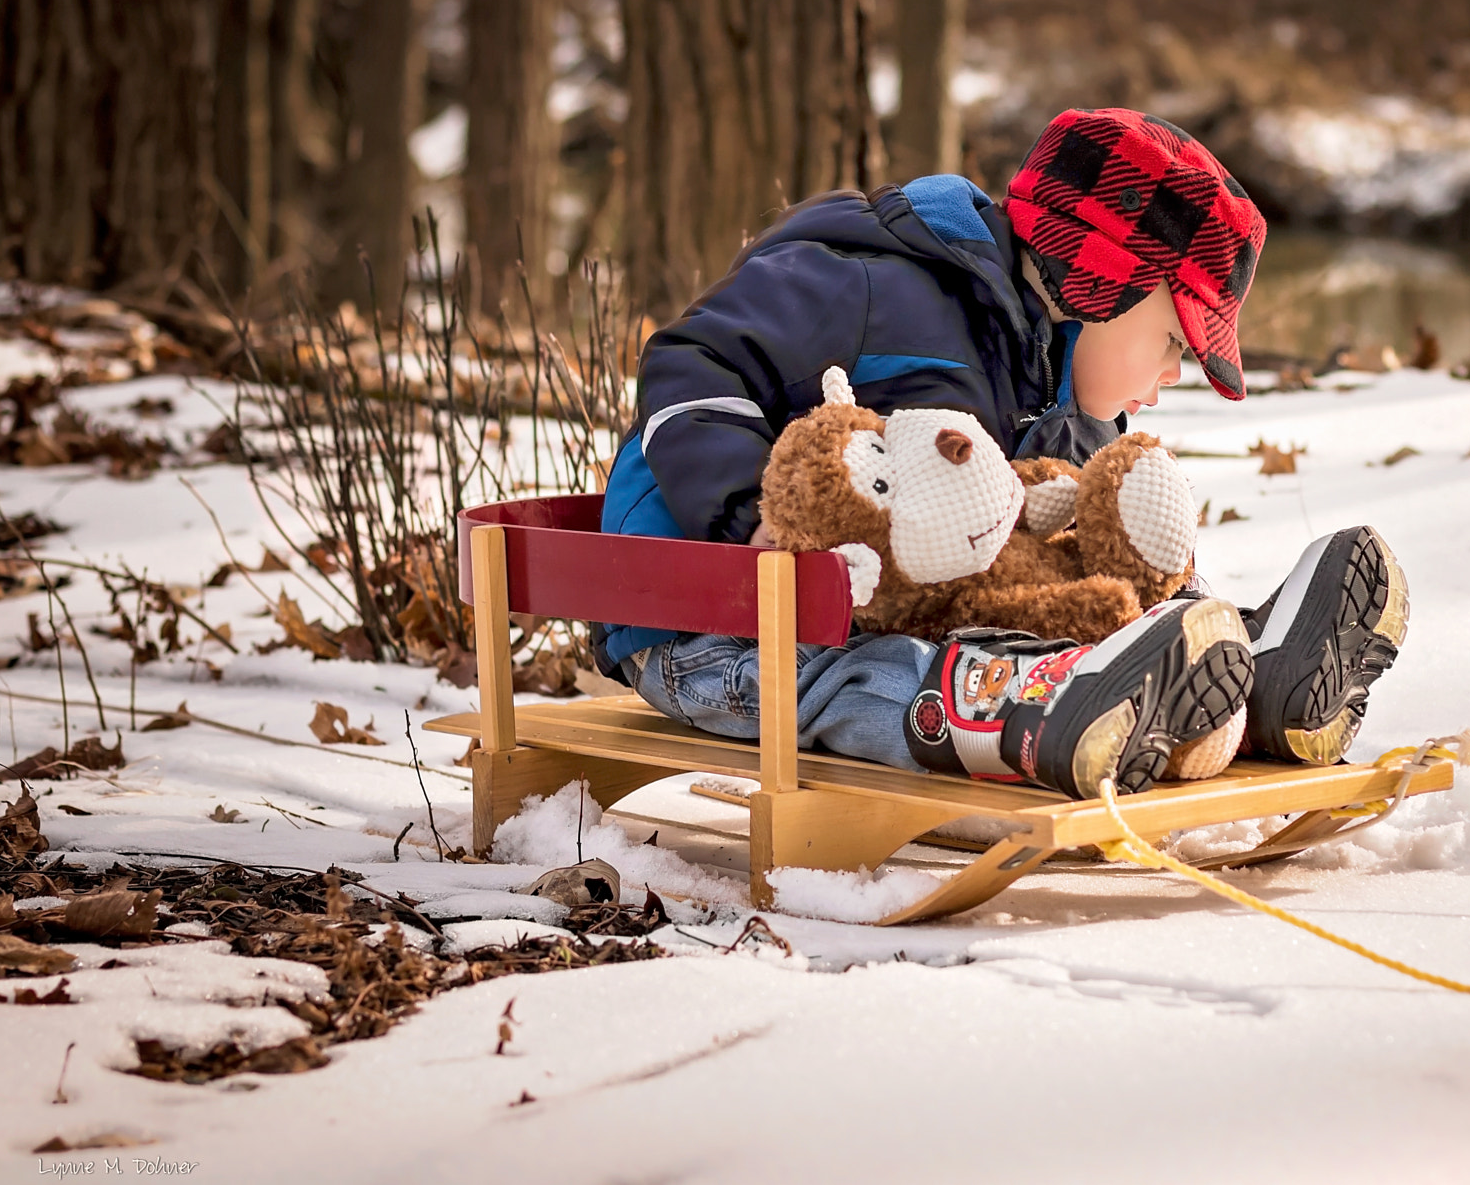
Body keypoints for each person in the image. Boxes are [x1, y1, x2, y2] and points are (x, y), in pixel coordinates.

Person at [592, 108, 1406, 799]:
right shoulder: (875, 287)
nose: (1165, 379)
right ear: (1101, 277)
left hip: (917, 622)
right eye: (1168, 341)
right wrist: (743, 517)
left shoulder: (1068, 396)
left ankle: (1241, 681)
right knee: (867, 672)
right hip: (709, 628)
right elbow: (691, 361)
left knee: (1085, 594)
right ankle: (1016, 713)